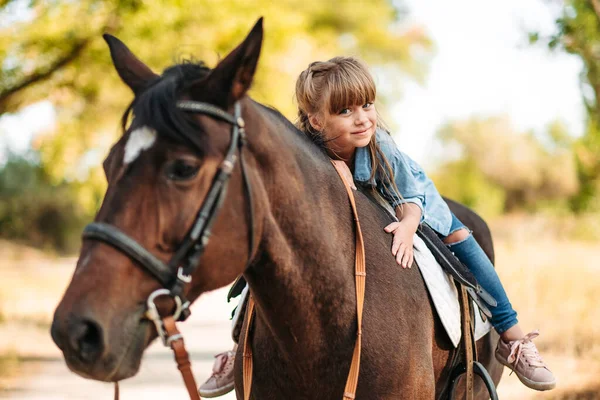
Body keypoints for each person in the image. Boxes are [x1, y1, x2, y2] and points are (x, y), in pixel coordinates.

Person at [199, 57, 556, 396]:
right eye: (345, 111)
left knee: (463, 242)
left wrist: (408, 225)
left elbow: (412, 197)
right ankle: (239, 344)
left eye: (366, 105)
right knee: (270, 254)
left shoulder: (380, 143)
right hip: (352, 204)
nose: (363, 119)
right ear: (316, 121)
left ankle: (514, 338)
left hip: (409, 198)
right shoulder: (304, 149)